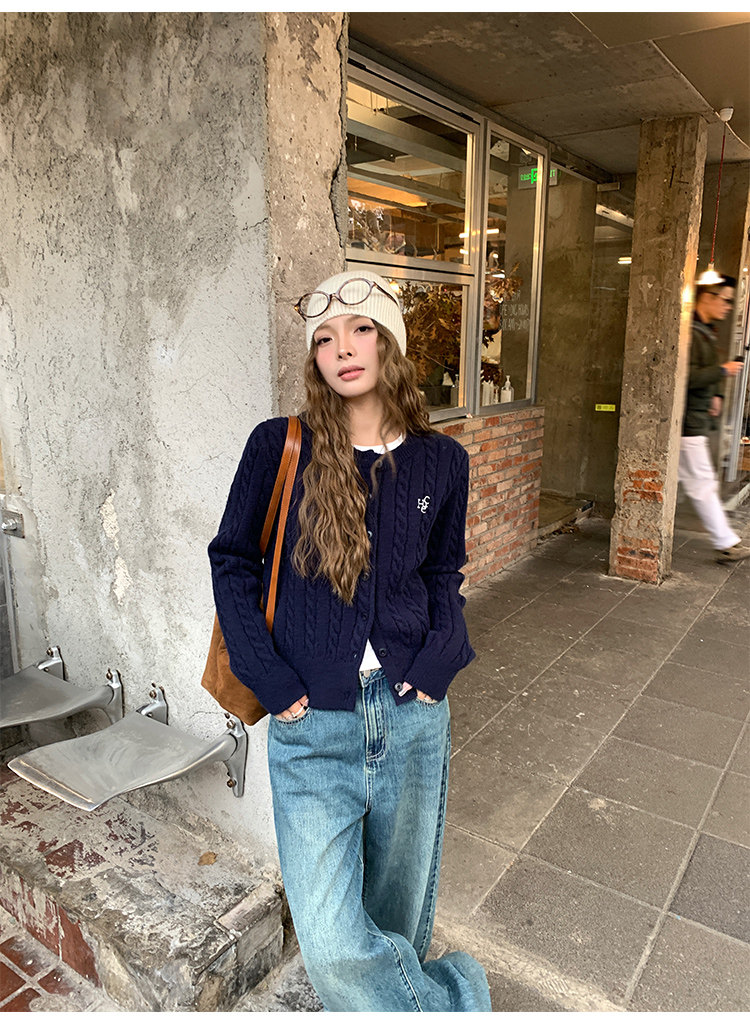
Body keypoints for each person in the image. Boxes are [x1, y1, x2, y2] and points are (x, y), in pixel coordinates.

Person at [208, 271, 491, 1012]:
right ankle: (460, 996)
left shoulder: (441, 461)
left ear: (390, 341)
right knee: (333, 944)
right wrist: (269, 678)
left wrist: (440, 658)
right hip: (312, 725)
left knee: (397, 920)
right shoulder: (279, 447)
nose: (343, 348)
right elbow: (231, 560)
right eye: (326, 338)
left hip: (410, 717)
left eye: (361, 329)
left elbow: (444, 572)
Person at [679, 277, 749, 562]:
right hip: (688, 424)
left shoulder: (705, 330)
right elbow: (687, 376)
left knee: (698, 483)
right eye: (726, 300)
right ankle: (726, 542)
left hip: (694, 420)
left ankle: (725, 540)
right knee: (702, 484)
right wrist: (723, 371)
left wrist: (716, 393)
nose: (728, 306)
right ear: (708, 296)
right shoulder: (692, 333)